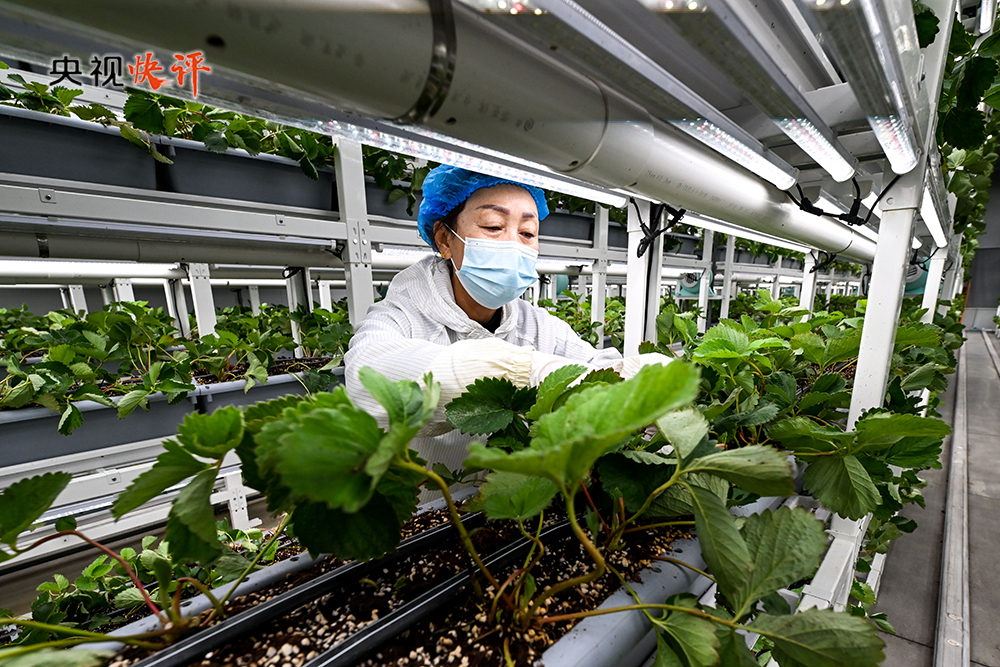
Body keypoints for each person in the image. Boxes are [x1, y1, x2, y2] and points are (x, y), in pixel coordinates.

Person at [344, 165, 667, 472]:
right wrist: (521, 371)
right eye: (493, 227)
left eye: (527, 232)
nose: (513, 244)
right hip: (430, 507)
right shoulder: (399, 317)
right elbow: (368, 380)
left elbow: (600, 369)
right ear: (444, 239)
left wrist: (646, 383)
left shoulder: (537, 326)